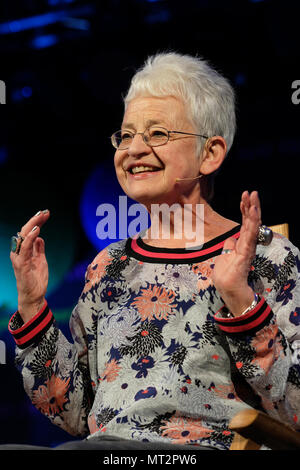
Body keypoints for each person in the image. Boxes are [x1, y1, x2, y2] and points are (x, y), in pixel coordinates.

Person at [7, 52, 300, 451]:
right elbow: (73, 411)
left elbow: (296, 408)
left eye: (158, 134)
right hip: (106, 450)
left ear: (210, 154)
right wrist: (31, 304)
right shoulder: (109, 267)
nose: (133, 149)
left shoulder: (270, 257)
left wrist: (241, 300)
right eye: (126, 135)